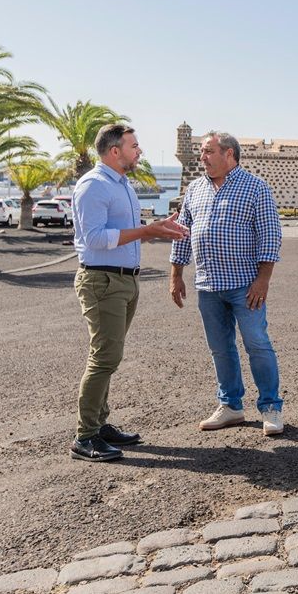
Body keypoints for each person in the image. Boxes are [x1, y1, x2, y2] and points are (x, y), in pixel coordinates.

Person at [70, 124, 188, 462]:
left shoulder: (121, 186)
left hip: (124, 281)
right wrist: (146, 230)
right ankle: (86, 436)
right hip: (102, 281)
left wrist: (157, 229)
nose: (140, 152)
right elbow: (94, 239)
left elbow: (125, 232)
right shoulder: (94, 186)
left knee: (109, 356)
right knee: (105, 357)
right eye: (134, 146)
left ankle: (99, 424)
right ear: (114, 151)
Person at [170, 131, 285, 436]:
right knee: (220, 348)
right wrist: (176, 274)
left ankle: (271, 408)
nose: (202, 158)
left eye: (208, 151)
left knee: (257, 344)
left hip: (245, 285)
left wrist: (263, 280)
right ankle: (231, 406)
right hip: (207, 285)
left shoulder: (256, 188)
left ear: (229, 154)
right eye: (201, 152)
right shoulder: (195, 189)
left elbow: (270, 235)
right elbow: (183, 232)